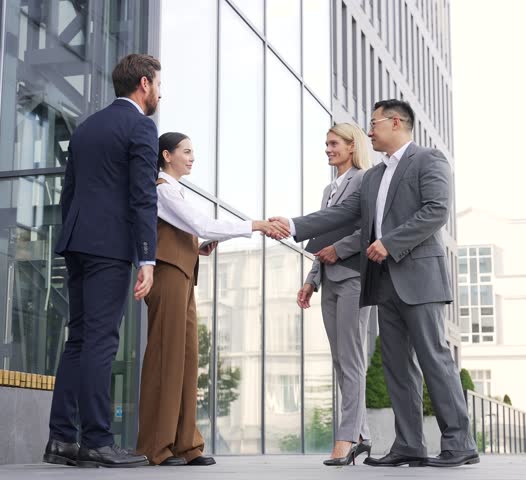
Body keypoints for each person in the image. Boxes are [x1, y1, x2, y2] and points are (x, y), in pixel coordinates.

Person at [271, 100, 478, 468]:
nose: (369, 131)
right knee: (396, 366)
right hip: (384, 282)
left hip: (419, 278)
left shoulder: (428, 160)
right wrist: (292, 224)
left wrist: (390, 242)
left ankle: (459, 443)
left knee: (434, 359)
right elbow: (341, 214)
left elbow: (435, 211)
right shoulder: (374, 177)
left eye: (374, 123)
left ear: (395, 122)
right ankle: (409, 444)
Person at [136, 132, 288, 466]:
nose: (192, 158)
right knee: (167, 359)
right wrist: (257, 225)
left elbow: (191, 229)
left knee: (187, 360)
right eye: (186, 152)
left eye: (193, 152)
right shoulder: (162, 189)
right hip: (169, 276)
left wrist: (198, 247)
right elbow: (202, 223)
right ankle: (156, 447)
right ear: (166, 155)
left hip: (184, 275)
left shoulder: (175, 191)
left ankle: (185, 445)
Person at [43, 54, 162, 469]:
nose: (160, 93)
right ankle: (96, 439)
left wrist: (71, 235)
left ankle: (61, 439)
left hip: (77, 241)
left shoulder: (87, 126)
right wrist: (147, 256)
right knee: (100, 340)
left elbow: (69, 192)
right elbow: (143, 195)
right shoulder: (141, 126)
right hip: (110, 245)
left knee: (78, 338)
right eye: (158, 85)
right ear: (144, 84)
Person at [297, 123, 373, 466]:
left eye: (333, 143)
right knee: (341, 360)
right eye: (326, 144)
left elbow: (369, 230)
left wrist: (339, 250)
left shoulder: (364, 180)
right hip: (329, 280)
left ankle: (346, 438)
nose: (327, 149)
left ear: (351, 145)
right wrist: (311, 279)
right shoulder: (329, 190)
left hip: (354, 278)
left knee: (352, 359)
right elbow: (322, 236)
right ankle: (362, 435)